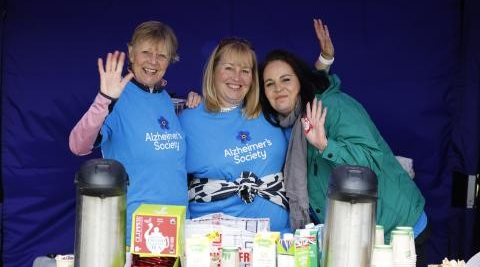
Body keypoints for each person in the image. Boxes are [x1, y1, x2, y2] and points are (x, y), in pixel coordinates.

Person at [259, 19, 429, 264]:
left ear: (300, 81)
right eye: (269, 83)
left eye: (286, 79)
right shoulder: (287, 123)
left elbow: (372, 162)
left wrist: (325, 145)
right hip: (352, 235)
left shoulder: (334, 107)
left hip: (397, 230)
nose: (278, 89)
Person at [69, 21, 200, 245]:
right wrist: (104, 99)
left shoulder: (167, 101)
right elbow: (78, 145)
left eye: (161, 55)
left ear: (170, 60)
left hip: (177, 228)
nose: (153, 61)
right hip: (134, 233)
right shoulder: (116, 98)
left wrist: (193, 104)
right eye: (146, 52)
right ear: (131, 53)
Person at [179, 38, 291, 233]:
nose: (237, 78)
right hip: (213, 243)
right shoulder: (188, 119)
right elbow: (170, 177)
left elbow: (301, 89)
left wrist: (325, 61)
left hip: (276, 240)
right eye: (229, 68)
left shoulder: (270, 110)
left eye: (245, 71)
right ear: (213, 71)